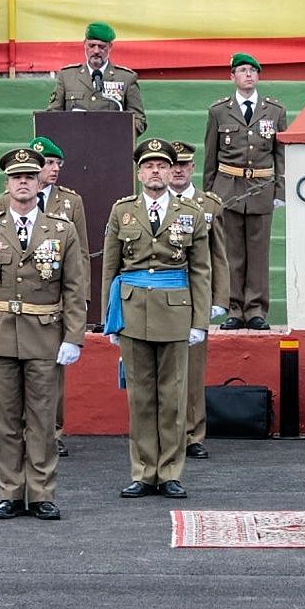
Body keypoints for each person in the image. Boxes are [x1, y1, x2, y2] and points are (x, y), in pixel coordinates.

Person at [0, 148, 88, 521]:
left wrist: (73, 337)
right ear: (7, 184)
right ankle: (9, 492)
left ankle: (41, 492)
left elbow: (73, 287)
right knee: (4, 420)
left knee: (42, 420)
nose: (23, 182)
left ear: (40, 183)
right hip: (0, 333)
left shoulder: (61, 230)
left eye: (30, 176)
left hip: (45, 336)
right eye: (16, 177)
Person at [102, 138, 212, 500]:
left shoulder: (190, 213)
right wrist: (111, 317)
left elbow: (201, 271)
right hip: (132, 311)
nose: (155, 171)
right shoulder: (123, 212)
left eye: (162, 166)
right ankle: (143, 472)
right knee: (140, 398)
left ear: (170, 171)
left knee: (173, 397)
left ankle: (170, 472)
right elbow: (111, 267)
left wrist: (199, 322)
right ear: (139, 173)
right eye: (149, 166)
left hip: (175, 312)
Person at [0, 136, 89, 458]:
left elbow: (81, 258)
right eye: (46, 163)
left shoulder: (70, 202)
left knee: (52, 377)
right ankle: (23, 430)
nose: (51, 169)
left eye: (53, 163)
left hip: (54, 300)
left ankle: (53, 430)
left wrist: (82, 300)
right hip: (18, 303)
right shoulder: (5, 200)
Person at [202, 52, 286, 330]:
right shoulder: (218, 110)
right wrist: (208, 195)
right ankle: (234, 308)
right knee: (231, 254)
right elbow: (211, 157)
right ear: (232, 77)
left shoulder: (274, 110)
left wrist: (280, 191)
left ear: (258, 76)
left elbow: (280, 154)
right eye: (242, 70)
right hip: (228, 189)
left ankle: (256, 310)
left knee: (259, 255)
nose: (248, 75)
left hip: (262, 188)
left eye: (252, 70)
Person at [169, 140, 229, 459]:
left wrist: (219, 298)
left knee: (193, 371)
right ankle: (167, 432)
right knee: (164, 369)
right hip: (163, 295)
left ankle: (193, 435)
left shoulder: (209, 205)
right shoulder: (155, 204)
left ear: (193, 168)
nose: (178, 170)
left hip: (196, 295)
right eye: (173, 165)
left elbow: (219, 256)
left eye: (184, 165)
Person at [48, 22, 147, 136]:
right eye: (91, 46)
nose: (96, 51)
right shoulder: (67, 76)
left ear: (110, 47)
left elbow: (139, 120)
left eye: (101, 47)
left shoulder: (126, 78)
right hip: (74, 142)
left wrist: (119, 132)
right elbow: (52, 114)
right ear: (84, 45)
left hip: (111, 144)